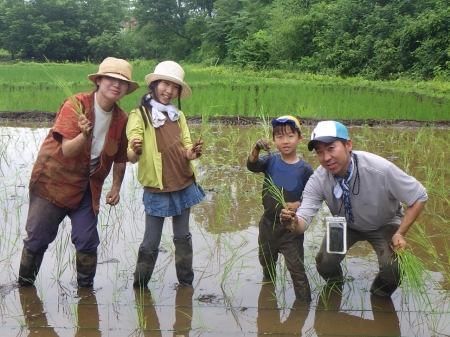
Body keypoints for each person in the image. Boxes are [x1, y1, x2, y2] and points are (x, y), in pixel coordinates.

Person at [18, 57, 139, 288]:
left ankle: (86, 295)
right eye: (111, 79)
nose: (116, 85)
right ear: (99, 81)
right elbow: (67, 150)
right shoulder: (77, 105)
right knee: (37, 239)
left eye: (122, 82)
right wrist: (84, 135)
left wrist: (115, 187)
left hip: (86, 185)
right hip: (54, 181)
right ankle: (25, 290)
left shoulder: (121, 119)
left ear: (126, 89)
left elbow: (121, 157)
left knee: (87, 241)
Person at [280, 120, 428, 297]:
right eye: (320, 152)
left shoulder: (379, 169)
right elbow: (303, 218)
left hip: (384, 223)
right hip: (345, 224)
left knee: (393, 268)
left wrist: (400, 233)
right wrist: (293, 222)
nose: (326, 157)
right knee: (324, 263)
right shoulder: (319, 178)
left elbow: (419, 196)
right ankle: (336, 287)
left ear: (348, 145)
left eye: (331, 148)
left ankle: (379, 295)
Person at [126, 61, 204, 288]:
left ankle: (186, 285)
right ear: (154, 84)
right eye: (165, 84)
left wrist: (193, 152)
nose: (169, 91)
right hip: (157, 188)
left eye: (175, 87)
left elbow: (187, 147)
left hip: (183, 182)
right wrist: (135, 150)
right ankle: (140, 287)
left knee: (183, 237)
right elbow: (130, 153)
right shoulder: (139, 115)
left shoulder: (178, 115)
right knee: (151, 241)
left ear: (179, 91)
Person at [247, 116, 314, 302]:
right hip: (268, 224)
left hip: (290, 228)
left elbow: (314, 197)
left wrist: (298, 204)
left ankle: (303, 305)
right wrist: (256, 148)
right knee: (266, 264)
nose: (285, 141)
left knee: (297, 271)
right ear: (274, 140)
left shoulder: (305, 170)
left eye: (290, 136)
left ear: (299, 138)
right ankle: (268, 303)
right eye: (279, 136)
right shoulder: (270, 160)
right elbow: (252, 165)